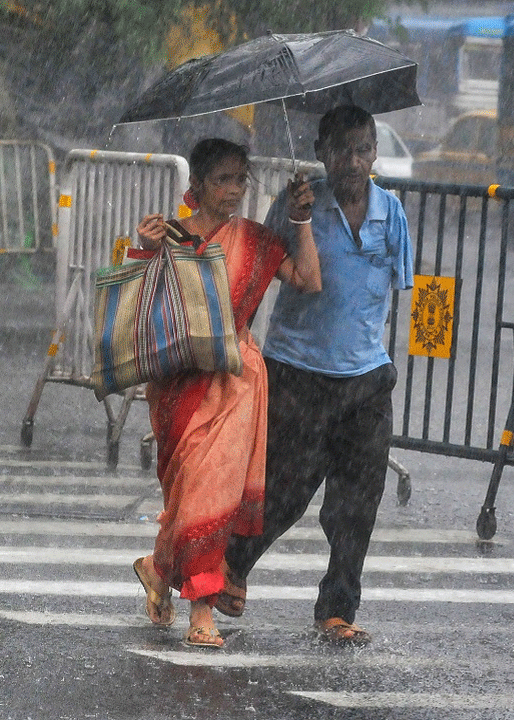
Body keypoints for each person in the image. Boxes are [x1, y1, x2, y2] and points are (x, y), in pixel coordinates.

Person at [218, 105, 415, 645]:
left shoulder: (390, 212)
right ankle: (233, 567)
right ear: (323, 152)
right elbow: (269, 270)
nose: (352, 161)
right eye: (342, 149)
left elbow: (393, 288)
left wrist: (373, 358)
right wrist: (299, 218)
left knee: (358, 499)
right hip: (298, 370)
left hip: (366, 378)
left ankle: (337, 606)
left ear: (374, 154)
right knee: (286, 488)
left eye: (363, 149)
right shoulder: (298, 204)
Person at [131, 138, 321, 648]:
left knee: (210, 494)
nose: (234, 189)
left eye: (241, 179)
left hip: (235, 382)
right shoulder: (169, 237)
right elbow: (139, 305)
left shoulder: (257, 241)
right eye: (222, 180)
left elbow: (307, 278)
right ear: (195, 186)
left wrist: (300, 221)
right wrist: (144, 250)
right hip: (179, 384)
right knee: (189, 493)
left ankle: (201, 611)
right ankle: (156, 567)